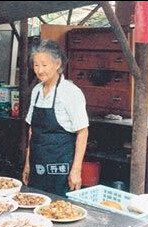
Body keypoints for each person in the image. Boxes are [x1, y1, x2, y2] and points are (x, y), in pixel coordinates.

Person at [22, 40, 89, 196]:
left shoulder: (71, 92)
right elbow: (33, 131)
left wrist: (76, 171)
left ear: (57, 64)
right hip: (37, 165)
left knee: (59, 210)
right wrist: (27, 164)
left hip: (61, 168)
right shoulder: (36, 91)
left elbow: (83, 132)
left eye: (44, 65)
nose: (39, 70)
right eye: (36, 65)